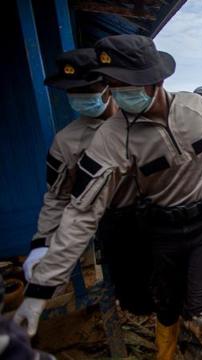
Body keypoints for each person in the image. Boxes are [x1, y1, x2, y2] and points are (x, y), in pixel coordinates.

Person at [13, 35, 202, 359]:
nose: (118, 91)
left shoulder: (193, 107)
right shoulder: (111, 138)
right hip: (161, 230)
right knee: (165, 305)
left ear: (154, 80)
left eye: (124, 83)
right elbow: (81, 211)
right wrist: (39, 290)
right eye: (112, 83)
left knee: (199, 308)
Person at [22, 48, 117, 282]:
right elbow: (57, 196)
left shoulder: (140, 121)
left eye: (87, 90)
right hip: (114, 225)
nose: (81, 97)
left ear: (109, 88)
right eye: (74, 92)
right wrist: (42, 244)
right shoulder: (67, 141)